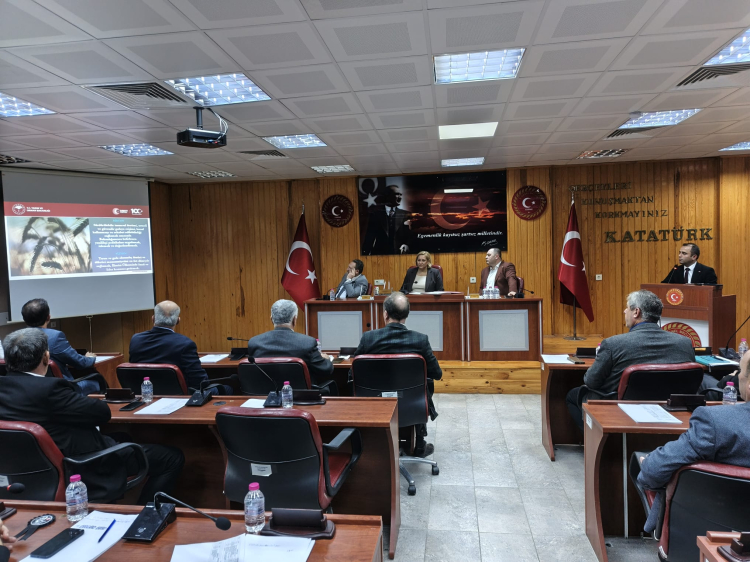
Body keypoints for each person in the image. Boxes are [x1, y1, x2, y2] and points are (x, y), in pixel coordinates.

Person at [0, 328, 184, 505]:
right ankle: (147, 514)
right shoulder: (50, 390)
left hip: (25, 470)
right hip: (82, 465)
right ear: (46, 357)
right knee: (171, 458)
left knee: (123, 437)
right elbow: (102, 413)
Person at [636, 349, 750, 533]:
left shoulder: (715, 422)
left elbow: (654, 471)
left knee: (646, 464)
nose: (737, 377)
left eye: (740, 372)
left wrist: (648, 463)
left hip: (709, 536)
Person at [566, 290, 695, 432]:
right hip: (671, 409)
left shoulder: (613, 344)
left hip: (620, 410)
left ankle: (595, 442)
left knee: (573, 395)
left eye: (627, 307)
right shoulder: (684, 343)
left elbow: (591, 381)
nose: (624, 311)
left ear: (636, 312)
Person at [353, 292, 442, 457]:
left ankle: (369, 444)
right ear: (406, 316)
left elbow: (353, 371)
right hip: (411, 405)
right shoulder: (420, 340)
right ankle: (419, 443)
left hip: (375, 403)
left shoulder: (369, 338)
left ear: (385, 314)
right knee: (426, 382)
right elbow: (437, 373)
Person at [129, 301, 232, 395]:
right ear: (178, 321)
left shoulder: (136, 340)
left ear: (153, 318)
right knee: (228, 388)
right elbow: (199, 382)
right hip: (181, 397)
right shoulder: (185, 344)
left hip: (144, 395)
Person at [247, 299, 336, 392]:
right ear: (294, 319)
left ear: (271, 319)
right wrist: (326, 359)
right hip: (301, 397)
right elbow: (326, 369)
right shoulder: (307, 343)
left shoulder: (255, 343)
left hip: (264, 397)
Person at [21, 298, 100, 395]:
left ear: (24, 319)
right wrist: (90, 358)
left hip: (30, 391)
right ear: (48, 317)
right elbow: (80, 363)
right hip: (61, 390)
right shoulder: (55, 337)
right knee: (98, 383)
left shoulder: (16, 339)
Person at [362, 183, 412, 255]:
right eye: (397, 194)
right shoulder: (375, 215)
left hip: (400, 254)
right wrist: (365, 255)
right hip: (379, 255)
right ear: (388, 196)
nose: (400, 197)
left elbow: (411, 235)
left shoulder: (406, 214)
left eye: (401, 194)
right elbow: (369, 237)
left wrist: (407, 245)